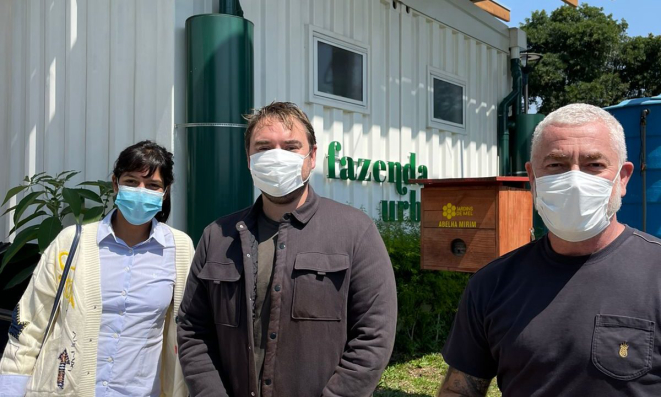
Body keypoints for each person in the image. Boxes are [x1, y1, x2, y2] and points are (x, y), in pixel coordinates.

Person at [437, 103, 661, 396]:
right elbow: (460, 389)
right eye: (556, 165)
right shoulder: (492, 284)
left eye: (594, 164)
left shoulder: (656, 273)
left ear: (622, 178)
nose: (575, 181)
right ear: (532, 178)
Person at [177, 101, 398, 397]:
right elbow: (193, 331)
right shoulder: (217, 236)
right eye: (264, 147)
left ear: (312, 156)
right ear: (249, 158)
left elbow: (374, 334)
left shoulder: (355, 232)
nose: (276, 157)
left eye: (290, 147)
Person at [0, 141, 195, 396]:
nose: (141, 191)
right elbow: (30, 322)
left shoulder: (180, 249)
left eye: (153, 185)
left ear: (165, 191)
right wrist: (11, 389)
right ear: (115, 184)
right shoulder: (71, 242)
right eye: (131, 182)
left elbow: (188, 328)